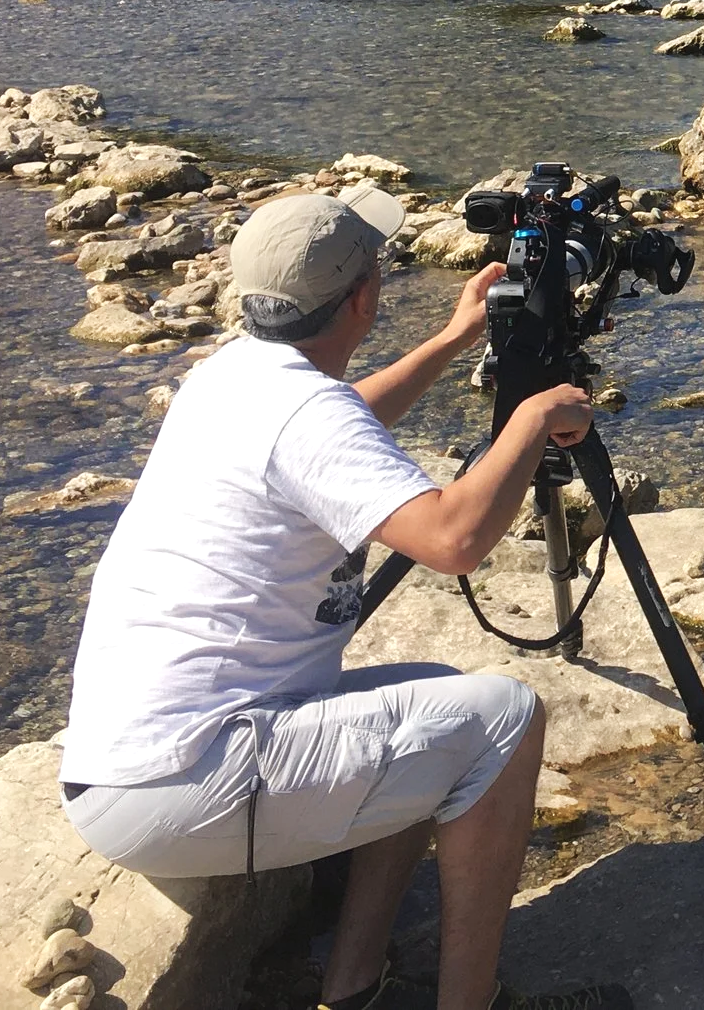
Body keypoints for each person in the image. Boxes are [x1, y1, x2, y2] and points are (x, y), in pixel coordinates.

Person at [58, 185, 624, 1010]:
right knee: (504, 718)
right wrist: (533, 417)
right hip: (181, 781)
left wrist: (452, 339)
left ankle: (354, 983)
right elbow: (454, 540)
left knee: (426, 695)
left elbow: (341, 421)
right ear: (363, 297)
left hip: (131, 766)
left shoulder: (232, 374)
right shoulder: (304, 413)